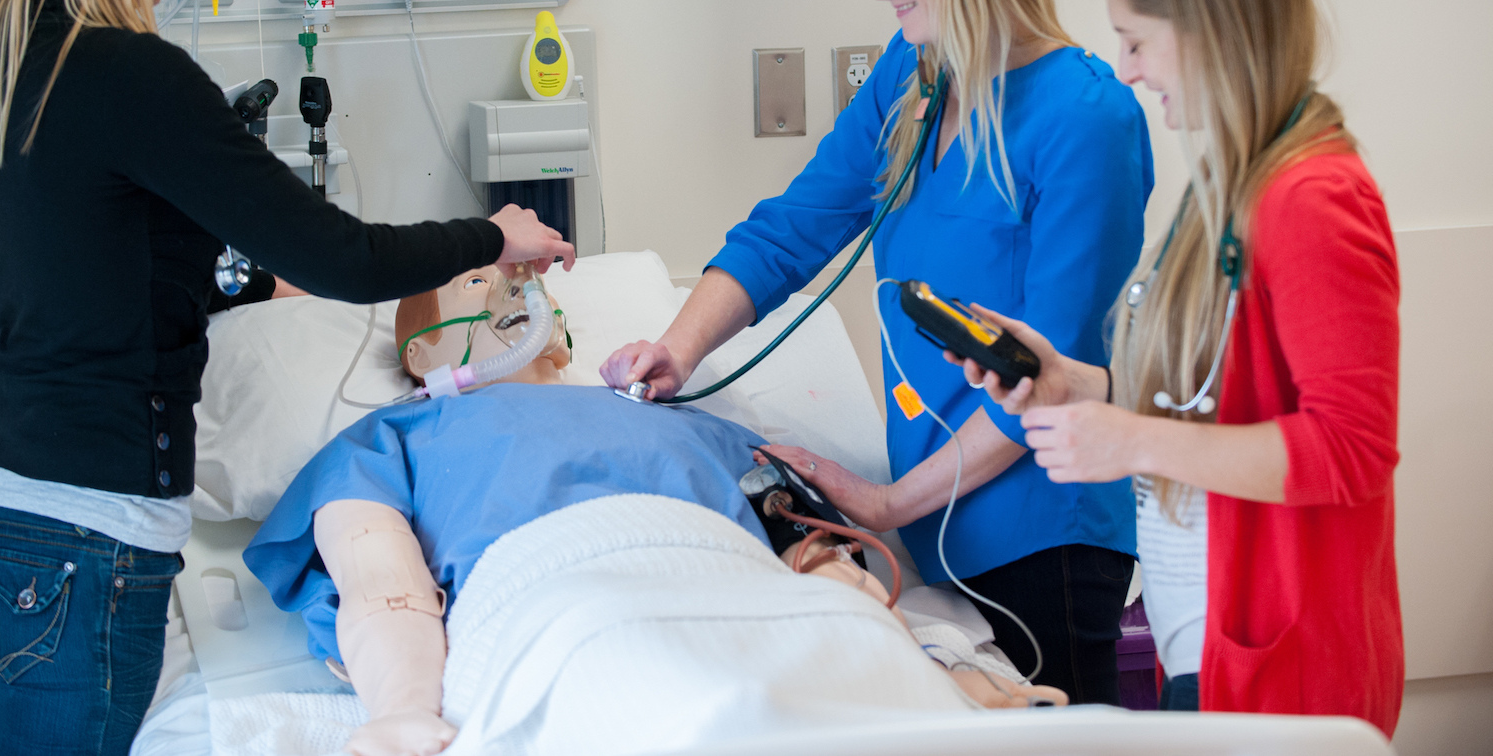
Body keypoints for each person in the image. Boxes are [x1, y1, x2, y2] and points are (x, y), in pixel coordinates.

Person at [0, 1, 574, 753]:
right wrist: (493, 237)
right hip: (86, 550)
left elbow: (109, 268)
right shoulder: (130, 74)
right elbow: (344, 257)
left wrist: (268, 288)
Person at [244, 266, 1068, 756]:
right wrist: (400, 712)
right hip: (560, 591)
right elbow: (378, 579)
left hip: (747, 582)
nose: (511, 284)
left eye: (517, 280)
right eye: (477, 279)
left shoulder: (680, 415)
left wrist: (934, 664)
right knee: (675, 698)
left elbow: (817, 559)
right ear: (424, 352)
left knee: (842, 659)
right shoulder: (398, 429)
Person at [601, 0, 1151, 704]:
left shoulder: (1086, 118)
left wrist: (887, 503)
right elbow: (791, 230)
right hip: (936, 527)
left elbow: (1048, 383)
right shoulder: (915, 74)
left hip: (1044, 538)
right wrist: (676, 350)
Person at [960, 0, 1404, 734]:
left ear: (1213, 28)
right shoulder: (1233, 182)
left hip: (1285, 674)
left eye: (1136, 42)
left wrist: (1131, 443)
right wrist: (1074, 384)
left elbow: (1349, 450)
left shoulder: (1313, 199)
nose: (1128, 70)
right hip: (1204, 642)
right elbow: (1215, 396)